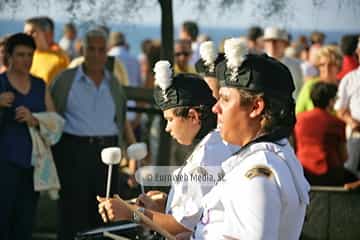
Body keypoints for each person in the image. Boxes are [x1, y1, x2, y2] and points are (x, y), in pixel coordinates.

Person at [97, 61, 239, 236]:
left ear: (193, 116)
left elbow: (181, 227)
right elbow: (200, 212)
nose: (167, 128)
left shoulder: (207, 157)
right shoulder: (215, 145)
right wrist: (167, 204)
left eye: (170, 119)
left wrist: (129, 212)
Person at [192, 52, 310, 239]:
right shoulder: (268, 156)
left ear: (256, 107)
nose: (215, 108)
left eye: (225, 99)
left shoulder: (258, 175)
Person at [50, 28, 135, 240]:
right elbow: (52, 115)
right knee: (71, 212)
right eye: (92, 49)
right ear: (82, 50)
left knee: (103, 213)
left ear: (106, 52)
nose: (96, 55)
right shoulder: (65, 80)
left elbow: (121, 118)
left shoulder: (113, 83)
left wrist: (132, 152)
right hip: (73, 152)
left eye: (101, 50)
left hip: (108, 154)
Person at [0, 33, 55, 240]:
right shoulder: (1, 83)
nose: (26, 60)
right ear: (9, 56)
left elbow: (55, 121)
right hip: (4, 164)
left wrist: (35, 119)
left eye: (30, 55)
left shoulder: (40, 85)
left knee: (25, 223)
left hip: (32, 166)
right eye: (21, 54)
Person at [294, 82, 357, 185]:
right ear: (331, 101)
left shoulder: (299, 119)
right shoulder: (337, 122)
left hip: (303, 171)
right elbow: (344, 156)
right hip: (330, 172)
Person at [334, 38, 360, 177]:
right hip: (355, 136)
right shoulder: (349, 79)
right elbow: (340, 109)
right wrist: (352, 122)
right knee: (351, 171)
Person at [296, 45, 342, 114]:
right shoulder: (310, 86)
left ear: (338, 66)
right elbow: (298, 113)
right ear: (318, 66)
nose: (326, 68)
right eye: (322, 65)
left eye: (331, 64)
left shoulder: (344, 86)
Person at [23, 17, 69, 85]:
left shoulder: (59, 59)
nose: (28, 36)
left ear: (44, 33)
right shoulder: (25, 56)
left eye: (32, 32)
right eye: (26, 33)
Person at [263, 26, 304, 99]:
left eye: (276, 41)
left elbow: (299, 90)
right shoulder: (258, 64)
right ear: (265, 43)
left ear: (285, 44)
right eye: (269, 41)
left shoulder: (296, 65)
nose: (272, 44)